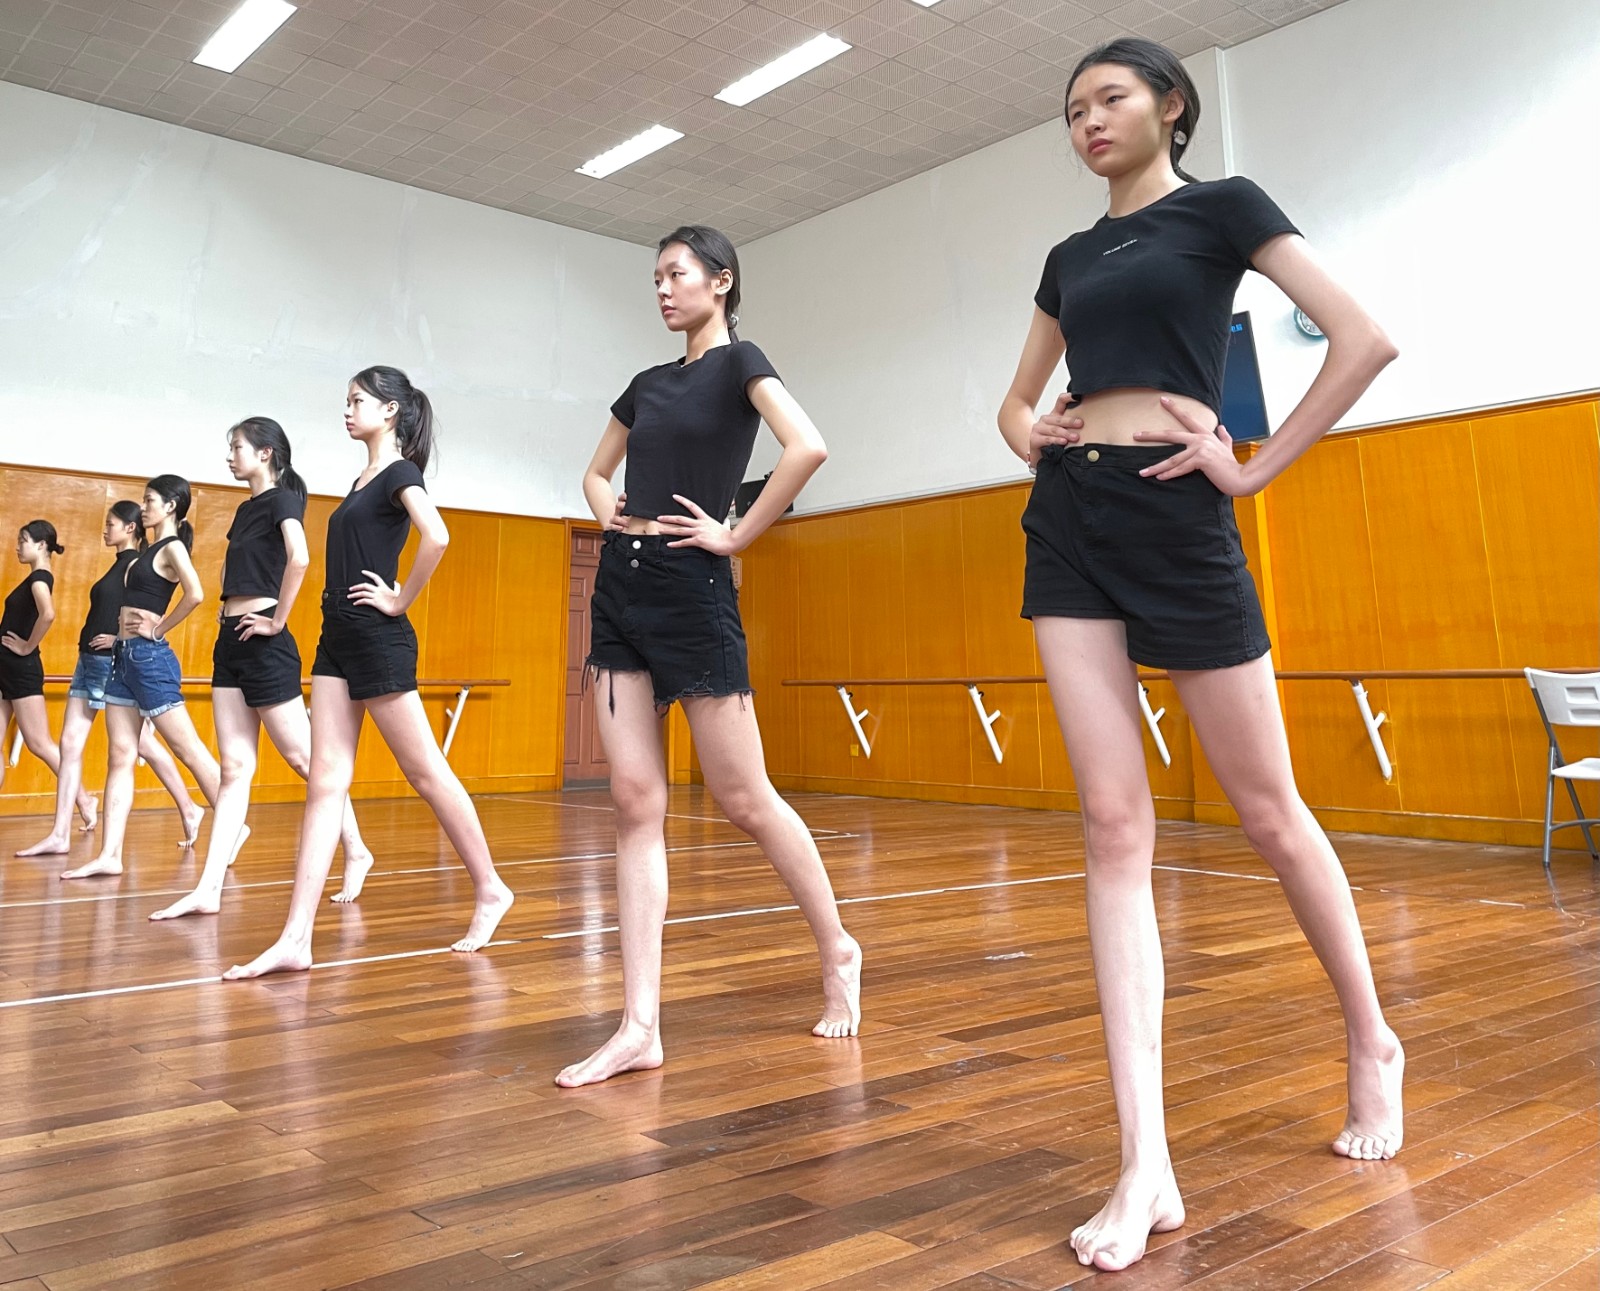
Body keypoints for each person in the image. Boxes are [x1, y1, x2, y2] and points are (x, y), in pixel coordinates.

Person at [996, 37, 1404, 1272]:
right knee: (1111, 824)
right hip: (1070, 519)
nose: (1088, 121)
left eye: (1110, 98)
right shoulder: (1069, 257)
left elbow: (1362, 338)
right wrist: (1030, 431)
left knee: (1269, 811)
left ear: (1169, 105)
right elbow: (1013, 402)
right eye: (1072, 109)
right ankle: (1144, 1162)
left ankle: (1372, 1036)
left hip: (1180, 512)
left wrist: (1255, 466)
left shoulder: (1221, 207)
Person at [555, 225, 861, 1089]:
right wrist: (614, 516)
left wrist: (736, 535)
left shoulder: (739, 364)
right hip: (621, 586)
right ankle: (639, 1025)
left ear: (720, 281)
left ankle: (838, 947)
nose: (662, 288)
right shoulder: (646, 383)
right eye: (655, 276)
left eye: (676, 273)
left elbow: (807, 445)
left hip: (693, 587)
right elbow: (595, 473)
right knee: (633, 801)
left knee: (743, 797)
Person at [224, 368, 514, 978]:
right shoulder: (362, 480)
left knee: (425, 771)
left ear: (390, 411)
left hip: (377, 636)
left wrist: (401, 599)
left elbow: (437, 536)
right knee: (325, 780)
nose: (347, 410)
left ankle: (491, 888)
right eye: (347, 401)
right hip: (336, 635)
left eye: (357, 401)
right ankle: (296, 938)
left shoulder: (400, 472)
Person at [151, 418, 373, 920]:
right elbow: (234, 568)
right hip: (230, 640)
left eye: (237, 447)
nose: (230, 456)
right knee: (233, 769)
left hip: (265, 643)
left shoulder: (281, 500)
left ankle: (357, 849)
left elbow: (300, 558)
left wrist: (277, 619)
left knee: (306, 760)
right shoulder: (245, 508)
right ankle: (208, 888)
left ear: (266, 453)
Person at [62, 476, 236, 881]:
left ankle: (234, 824)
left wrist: (158, 630)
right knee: (120, 754)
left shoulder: (172, 547)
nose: (143, 508)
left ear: (171, 505)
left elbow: (195, 593)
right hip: (123, 657)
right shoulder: (150, 550)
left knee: (188, 749)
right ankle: (110, 855)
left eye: (150, 500)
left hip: (149, 659)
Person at [16, 503, 204, 857]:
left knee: (144, 745)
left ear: (130, 528)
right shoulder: (121, 564)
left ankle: (190, 807)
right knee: (70, 743)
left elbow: (142, 613)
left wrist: (120, 639)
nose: (105, 529)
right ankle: (60, 833)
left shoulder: (138, 564)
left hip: (110, 663)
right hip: (88, 661)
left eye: (111, 524)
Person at [0, 520, 94, 818]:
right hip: (7, 667)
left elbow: (48, 614)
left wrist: (27, 646)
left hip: (21, 669)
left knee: (39, 743)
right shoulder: (35, 577)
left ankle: (84, 799)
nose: (18, 546)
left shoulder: (39, 578)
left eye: (23, 540)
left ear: (41, 545)